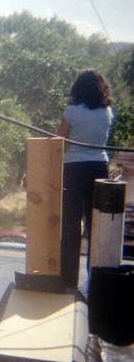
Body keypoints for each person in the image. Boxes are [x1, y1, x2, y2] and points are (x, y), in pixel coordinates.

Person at [57, 69, 114, 287]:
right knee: (95, 226)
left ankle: (68, 277)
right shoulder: (108, 112)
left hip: (73, 168)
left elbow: (59, 140)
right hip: (100, 167)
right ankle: (95, 279)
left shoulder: (72, 111)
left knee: (71, 223)